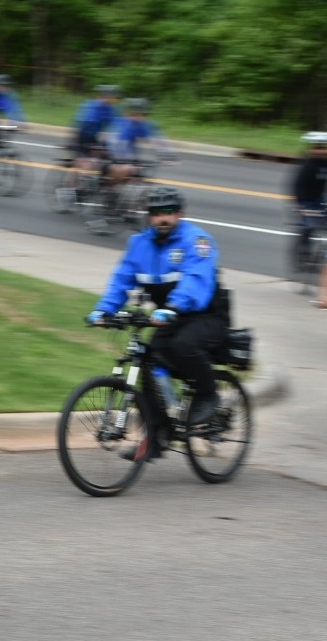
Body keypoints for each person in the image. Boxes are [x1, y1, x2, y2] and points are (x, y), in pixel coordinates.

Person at [87, 186, 226, 429]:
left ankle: (208, 394)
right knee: (148, 362)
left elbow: (195, 280)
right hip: (169, 317)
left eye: (169, 211)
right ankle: (154, 439)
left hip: (207, 315)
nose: (163, 218)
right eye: (156, 212)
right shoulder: (139, 243)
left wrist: (173, 306)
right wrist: (104, 310)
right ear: (149, 215)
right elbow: (121, 279)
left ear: (180, 213)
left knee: (184, 345)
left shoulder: (197, 241)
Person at [106, 98, 173, 185]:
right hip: (115, 147)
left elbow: (158, 139)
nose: (137, 117)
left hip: (130, 148)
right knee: (123, 171)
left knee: (136, 172)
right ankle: (109, 188)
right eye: (133, 114)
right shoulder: (122, 125)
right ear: (126, 114)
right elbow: (118, 144)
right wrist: (126, 162)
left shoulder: (145, 124)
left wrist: (167, 154)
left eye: (142, 114)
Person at [289, 131, 327, 268]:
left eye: (322, 148)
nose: (320, 151)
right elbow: (298, 187)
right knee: (309, 227)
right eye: (316, 148)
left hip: (320, 199)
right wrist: (302, 208)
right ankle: (304, 254)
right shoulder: (307, 166)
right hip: (306, 201)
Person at [71, 84, 120, 168]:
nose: (114, 100)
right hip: (82, 135)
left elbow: (114, 124)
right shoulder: (92, 106)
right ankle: (80, 176)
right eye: (112, 97)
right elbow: (85, 123)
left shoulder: (110, 108)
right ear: (103, 96)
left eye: (114, 97)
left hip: (94, 136)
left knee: (107, 156)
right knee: (87, 162)